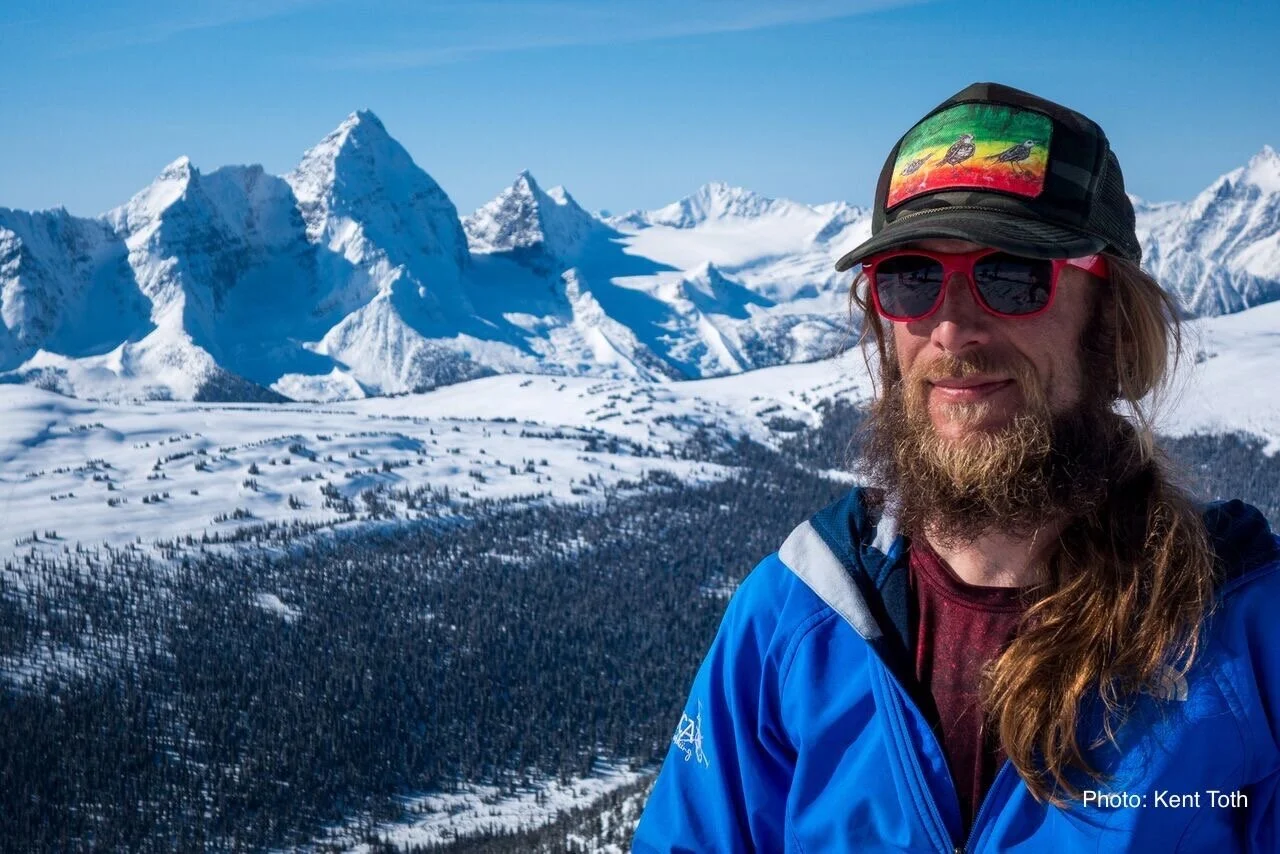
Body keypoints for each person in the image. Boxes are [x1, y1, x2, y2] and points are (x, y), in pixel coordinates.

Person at [632, 82, 1280, 852]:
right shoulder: (793, 620)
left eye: (1012, 275)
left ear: (1110, 319)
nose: (950, 329)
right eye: (911, 278)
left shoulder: (1245, 636)